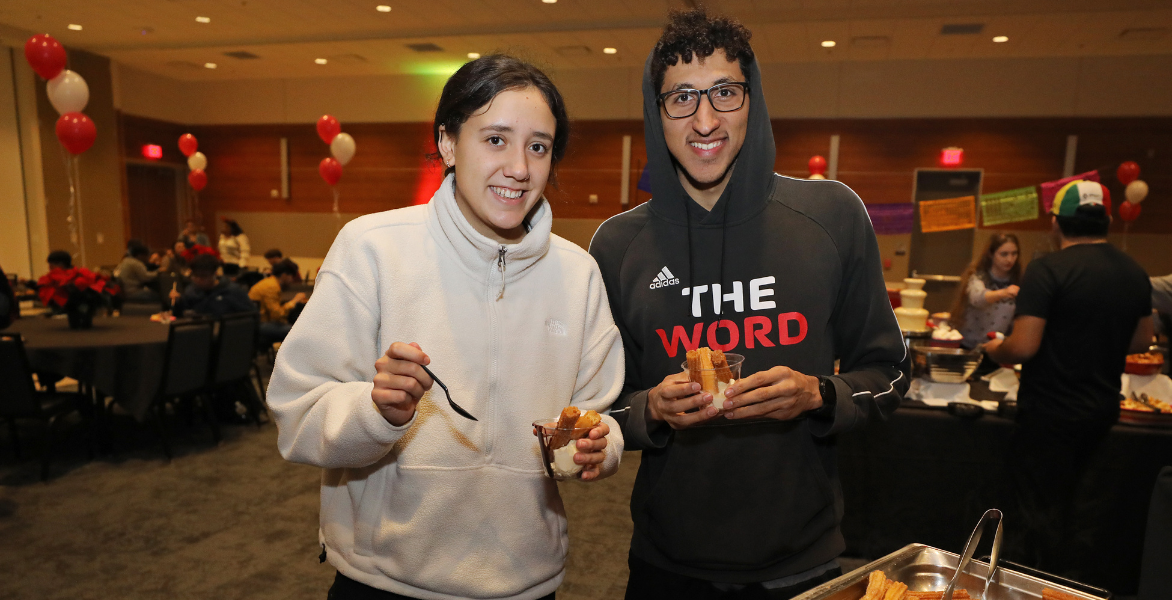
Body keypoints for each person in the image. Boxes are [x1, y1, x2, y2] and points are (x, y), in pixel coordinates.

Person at [266, 54, 625, 600]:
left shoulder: (576, 273)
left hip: (527, 581)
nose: (520, 168)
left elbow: (598, 412)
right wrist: (375, 410)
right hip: (384, 581)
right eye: (496, 139)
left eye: (538, 146)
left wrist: (601, 443)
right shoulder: (373, 248)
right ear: (450, 144)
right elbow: (297, 413)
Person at [588, 9, 907, 599]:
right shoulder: (617, 245)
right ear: (656, 113)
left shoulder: (832, 216)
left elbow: (890, 374)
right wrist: (653, 409)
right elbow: (601, 408)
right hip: (666, 564)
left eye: (724, 93)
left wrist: (819, 394)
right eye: (681, 97)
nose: (705, 119)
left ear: (752, 100)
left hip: (799, 563)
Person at [984, 180, 1152, 575]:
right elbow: (1143, 339)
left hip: (1048, 412)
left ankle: (1029, 583)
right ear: (1108, 219)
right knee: (1083, 510)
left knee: (1036, 511)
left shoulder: (1047, 269)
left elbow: (1023, 346)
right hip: (1102, 411)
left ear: (1057, 222)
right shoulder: (1133, 270)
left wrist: (996, 350)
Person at [948, 233, 1021, 350]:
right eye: (1004, 254)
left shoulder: (1018, 281)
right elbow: (978, 299)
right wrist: (1004, 293)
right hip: (969, 346)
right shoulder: (978, 277)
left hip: (997, 347)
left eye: (1014, 254)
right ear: (991, 254)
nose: (1010, 259)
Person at [169, 254, 255, 318]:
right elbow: (177, 316)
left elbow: (251, 316)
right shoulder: (191, 291)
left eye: (203, 276)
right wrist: (178, 301)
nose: (198, 280)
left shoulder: (232, 291)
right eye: (195, 276)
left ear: (214, 274)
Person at [248, 259, 306, 345]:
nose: (292, 280)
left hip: (258, 322)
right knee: (300, 332)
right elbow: (277, 315)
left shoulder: (270, 282)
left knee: (295, 325)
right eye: (291, 276)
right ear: (284, 275)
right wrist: (294, 301)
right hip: (260, 324)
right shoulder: (272, 287)